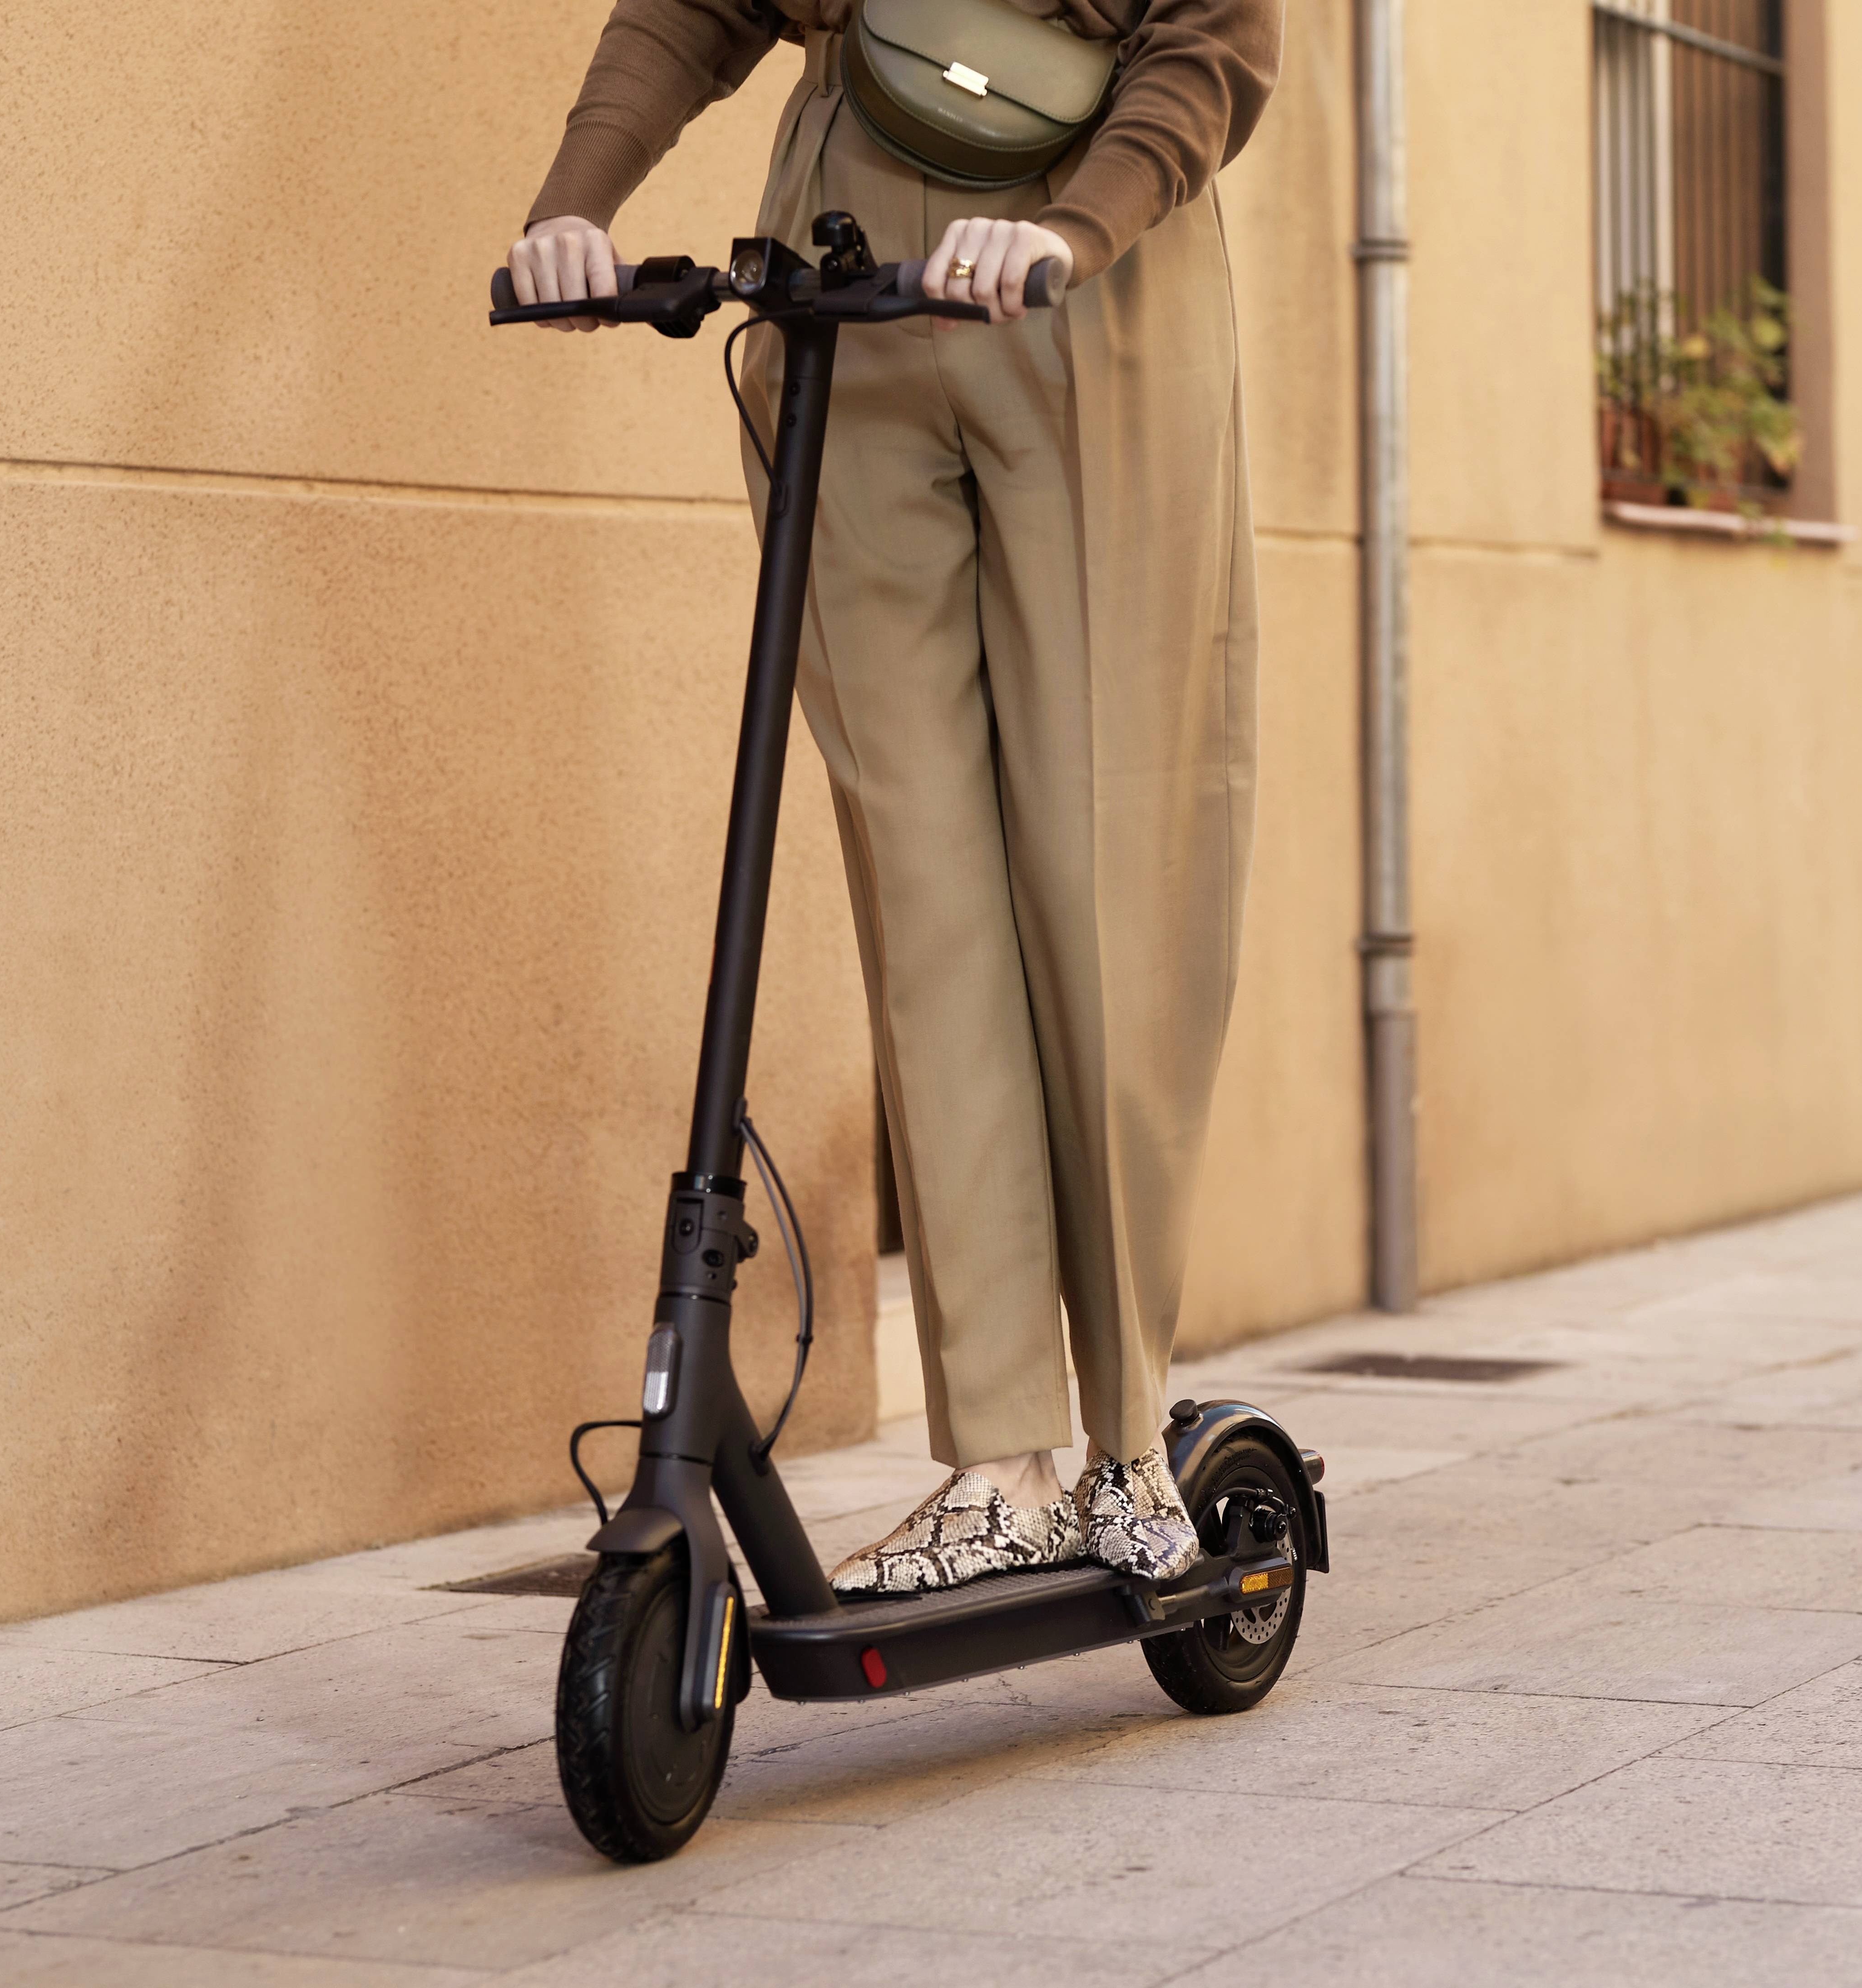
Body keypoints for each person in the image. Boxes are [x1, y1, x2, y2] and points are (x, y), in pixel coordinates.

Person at [514, 0, 1280, 1596]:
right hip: (848, 267)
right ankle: (1002, 1455)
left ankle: (1128, 1434)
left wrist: (1080, 222)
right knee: (925, 885)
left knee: (1103, 866)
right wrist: (578, 201)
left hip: (1094, 264)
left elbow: (1217, 38)